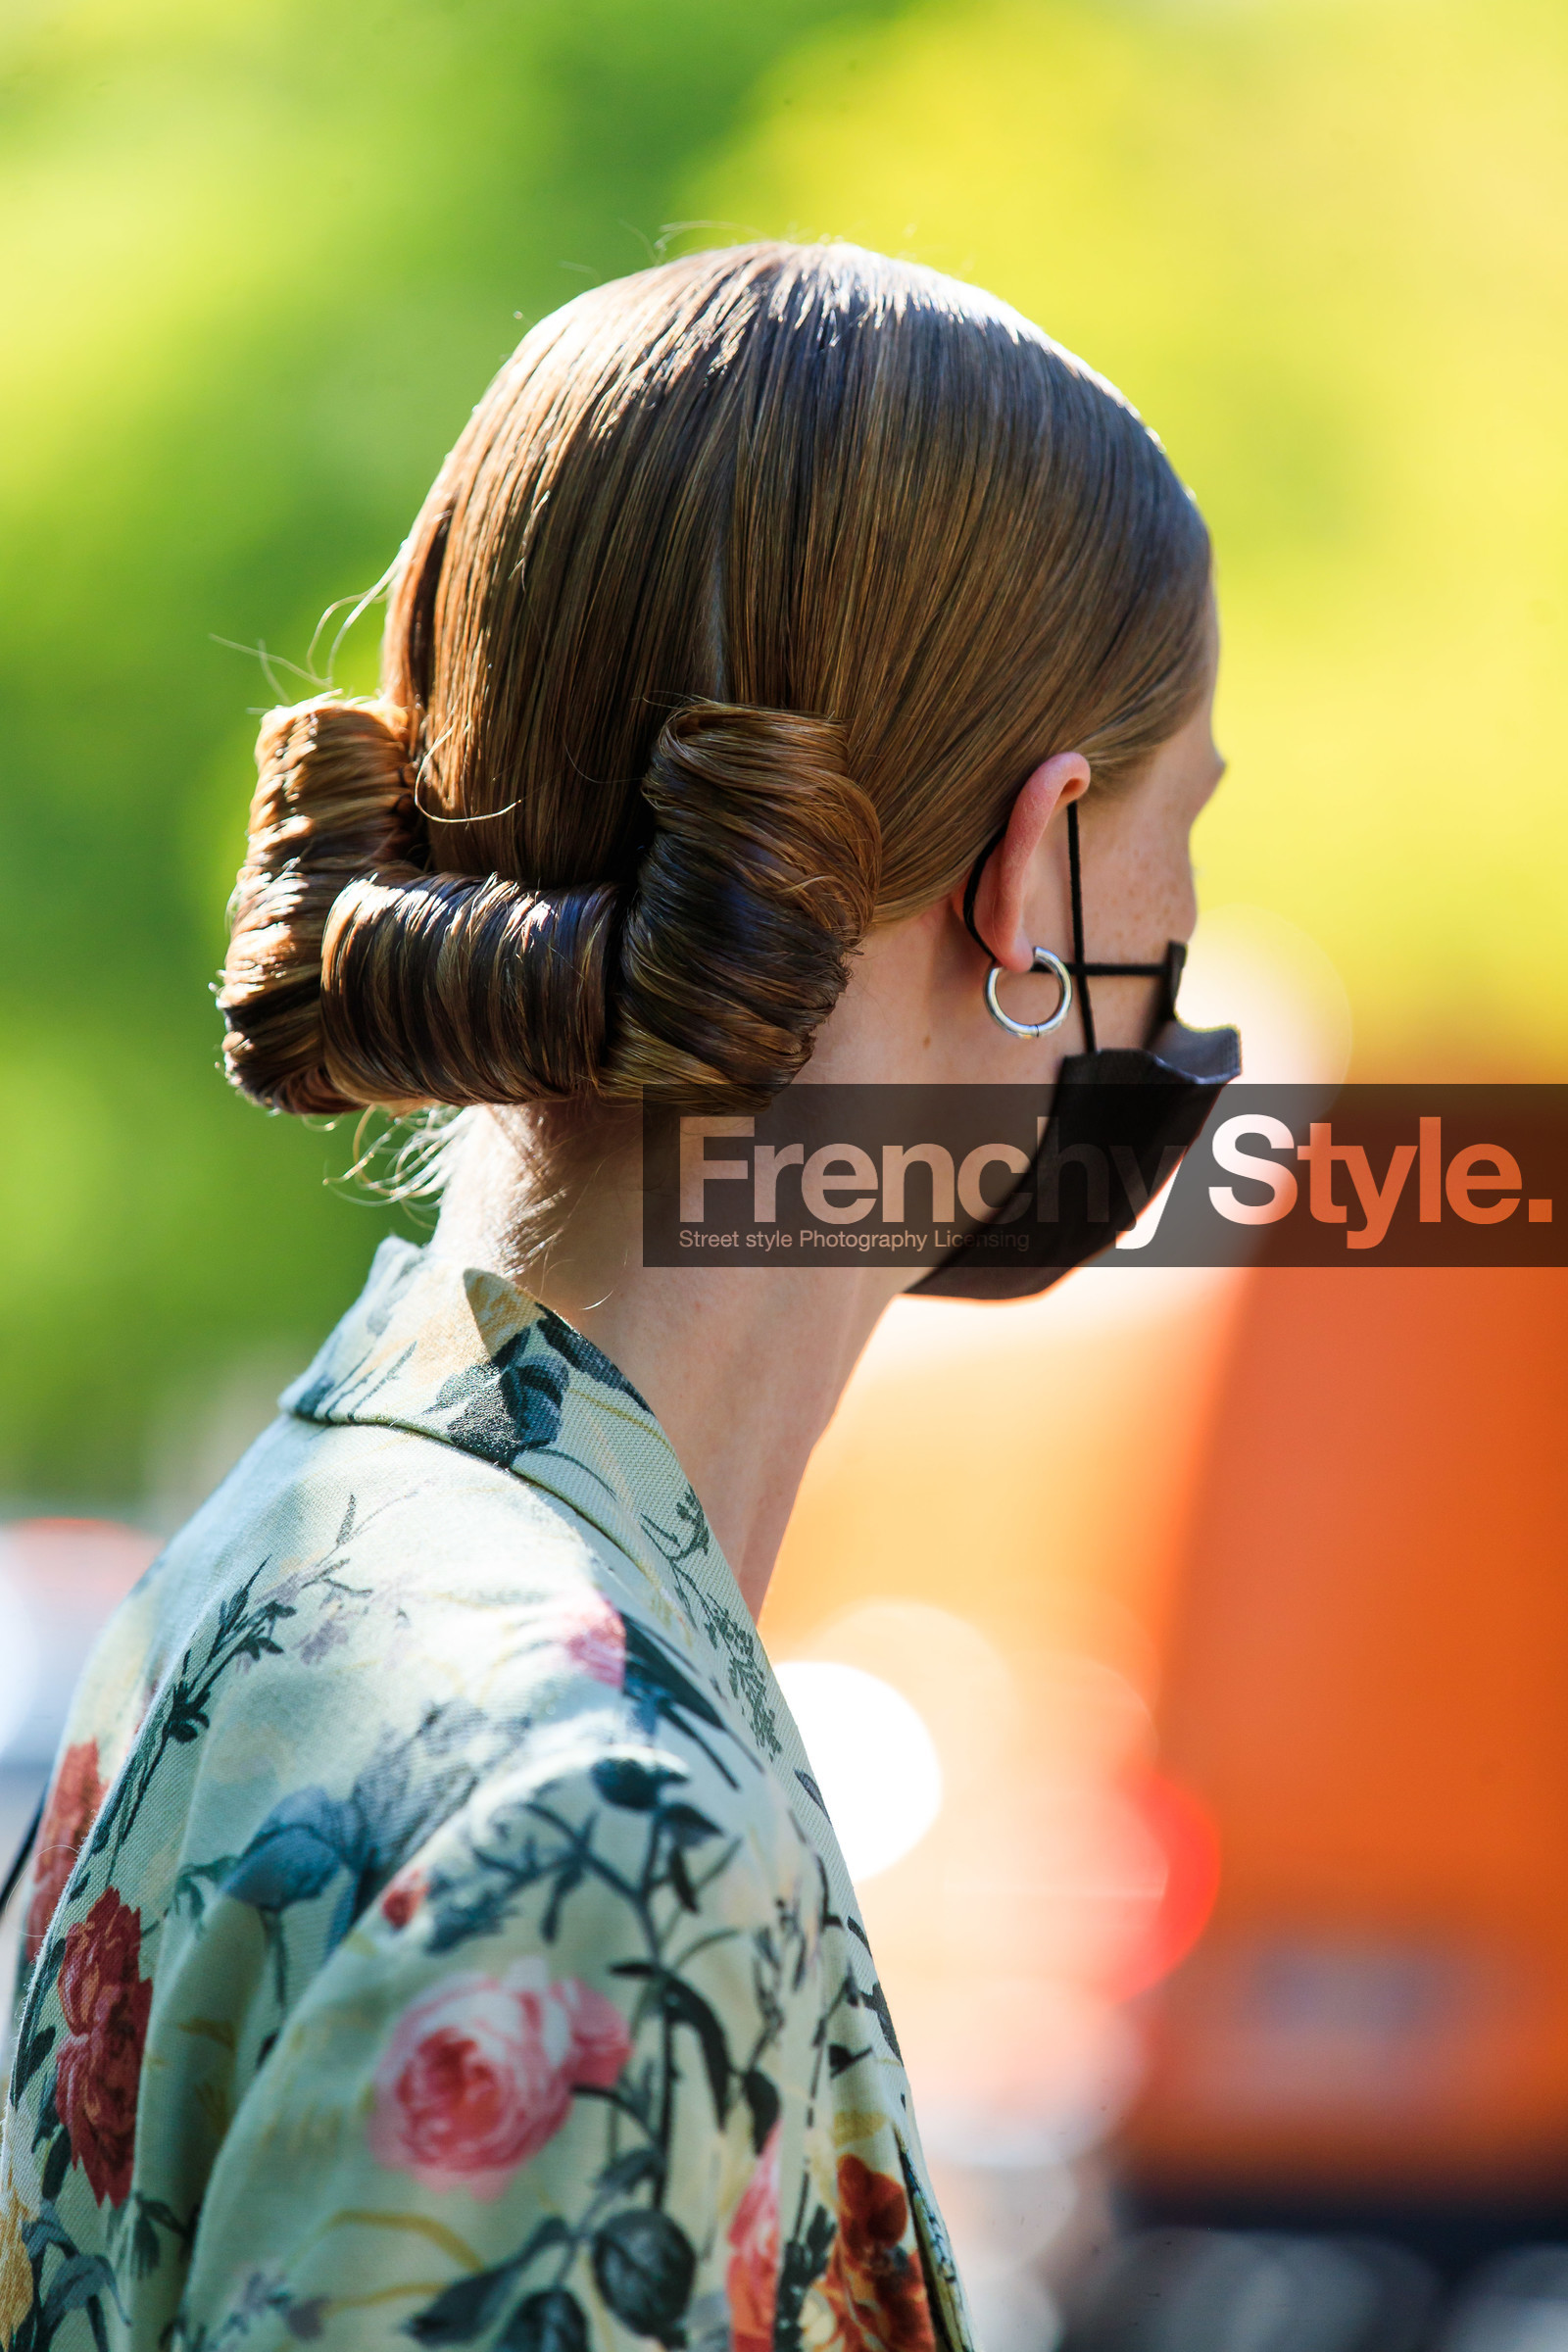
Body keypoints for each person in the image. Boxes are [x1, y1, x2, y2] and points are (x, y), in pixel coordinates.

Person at [0, 241, 1224, 2352]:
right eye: (1179, 822)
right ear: (1032, 878)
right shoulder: (613, 1826)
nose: (1188, 926)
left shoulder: (286, 1553)